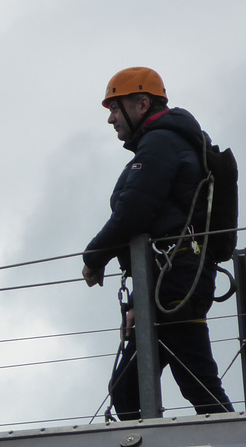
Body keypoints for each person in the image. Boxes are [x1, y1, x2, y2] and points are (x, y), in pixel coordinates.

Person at [83, 68, 235, 419]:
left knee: (196, 383)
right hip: (166, 283)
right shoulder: (165, 142)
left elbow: (135, 210)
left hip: (175, 283)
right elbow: (152, 223)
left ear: (142, 103)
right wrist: (137, 302)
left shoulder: (161, 142)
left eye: (114, 108)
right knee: (128, 388)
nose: (110, 118)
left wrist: (94, 257)